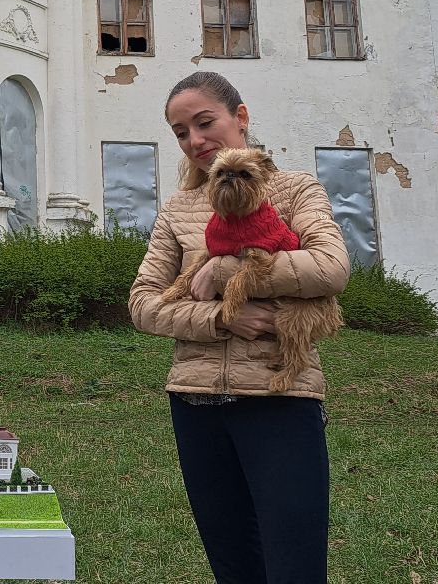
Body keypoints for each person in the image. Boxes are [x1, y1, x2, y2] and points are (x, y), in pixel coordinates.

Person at [128, 71, 350, 584]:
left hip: (280, 396)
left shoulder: (294, 189)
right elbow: (143, 304)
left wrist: (227, 270)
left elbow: (332, 267)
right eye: (181, 133)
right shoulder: (179, 208)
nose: (195, 140)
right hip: (194, 403)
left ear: (240, 117)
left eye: (204, 123)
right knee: (234, 568)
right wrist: (221, 318)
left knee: (294, 567)